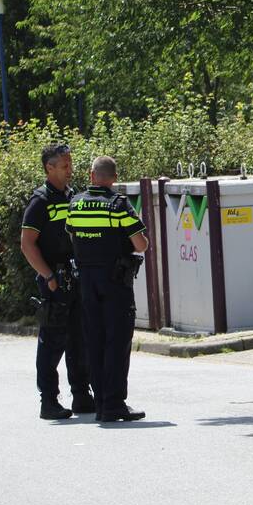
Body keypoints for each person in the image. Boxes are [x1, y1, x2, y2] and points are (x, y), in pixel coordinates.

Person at [65, 156, 149, 422]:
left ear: (92, 176)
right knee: (117, 340)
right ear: (114, 178)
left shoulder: (75, 204)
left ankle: (101, 401)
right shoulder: (118, 205)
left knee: (94, 340)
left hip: (86, 282)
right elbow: (141, 244)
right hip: (115, 282)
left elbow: (72, 236)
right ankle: (114, 403)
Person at [21, 143, 94, 420]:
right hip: (54, 280)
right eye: (64, 166)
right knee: (52, 341)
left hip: (75, 277)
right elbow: (27, 245)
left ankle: (81, 395)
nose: (70, 170)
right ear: (49, 168)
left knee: (80, 338)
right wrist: (48, 276)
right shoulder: (40, 201)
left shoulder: (72, 196)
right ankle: (49, 400)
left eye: (70, 164)